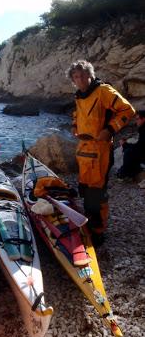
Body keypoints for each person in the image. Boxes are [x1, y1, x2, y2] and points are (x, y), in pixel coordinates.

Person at [67, 60, 135, 246]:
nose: (79, 80)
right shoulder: (80, 95)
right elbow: (77, 114)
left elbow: (127, 110)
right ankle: (89, 222)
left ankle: (98, 232)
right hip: (84, 148)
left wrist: (110, 129)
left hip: (100, 149)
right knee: (85, 190)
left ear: (90, 74)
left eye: (82, 75)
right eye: (75, 77)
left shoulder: (103, 91)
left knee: (97, 192)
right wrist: (75, 125)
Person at [117, 110, 145, 179]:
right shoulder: (143, 129)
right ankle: (132, 172)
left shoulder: (144, 130)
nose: (136, 121)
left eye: (137, 119)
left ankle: (124, 174)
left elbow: (140, 148)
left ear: (143, 119)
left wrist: (125, 145)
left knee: (129, 153)